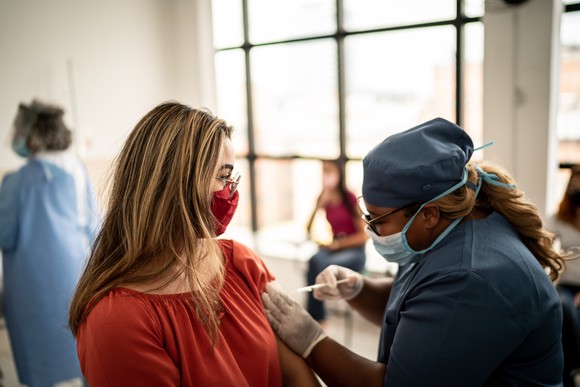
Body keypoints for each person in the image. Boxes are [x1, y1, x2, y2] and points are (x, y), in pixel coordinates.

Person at [263, 117, 571, 386]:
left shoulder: (471, 278)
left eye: (378, 220)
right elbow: (417, 305)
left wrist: (311, 341)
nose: (371, 230)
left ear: (429, 213)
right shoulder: (443, 231)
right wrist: (358, 289)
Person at [68, 101, 320, 387]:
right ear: (175, 185)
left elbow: (295, 373)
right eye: (223, 177)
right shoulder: (118, 322)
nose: (231, 191)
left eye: (232, 176)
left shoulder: (241, 263)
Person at [0, 99, 100, 387]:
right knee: (82, 348)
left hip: (31, 290)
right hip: (76, 277)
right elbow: (96, 227)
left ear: (32, 137)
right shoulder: (78, 171)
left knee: (36, 362)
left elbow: (5, 234)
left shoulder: (16, 181)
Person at [305, 159, 367, 324]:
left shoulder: (349, 198)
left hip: (354, 251)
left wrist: (337, 245)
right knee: (314, 260)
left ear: (339, 174)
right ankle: (317, 317)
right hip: (335, 247)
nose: (326, 176)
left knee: (322, 264)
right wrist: (318, 206)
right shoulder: (324, 198)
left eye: (330, 171)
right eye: (324, 172)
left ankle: (317, 318)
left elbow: (363, 236)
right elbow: (308, 229)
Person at [546, 166, 580, 386]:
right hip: (566, 285)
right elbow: (543, 244)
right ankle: (574, 369)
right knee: (564, 306)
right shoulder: (558, 218)